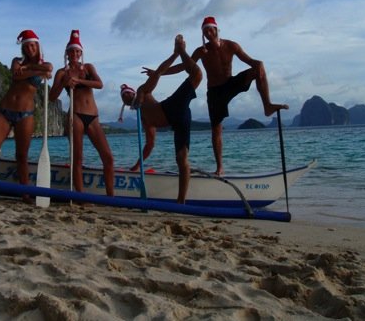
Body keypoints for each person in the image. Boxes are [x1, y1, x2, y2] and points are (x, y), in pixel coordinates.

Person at [168, 16, 288, 175]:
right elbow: (183, 66)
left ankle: (267, 105)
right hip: (215, 92)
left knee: (259, 65)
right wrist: (158, 73)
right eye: (205, 31)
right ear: (203, 34)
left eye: (211, 29)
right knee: (216, 130)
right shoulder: (201, 51)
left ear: (217, 29)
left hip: (230, 83)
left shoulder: (232, 46)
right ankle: (220, 168)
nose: (209, 33)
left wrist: (257, 68)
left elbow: (251, 61)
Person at [119, 35, 202, 204]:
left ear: (134, 92)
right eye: (123, 95)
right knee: (181, 158)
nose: (126, 95)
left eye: (128, 92)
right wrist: (136, 166)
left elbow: (158, 73)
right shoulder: (143, 119)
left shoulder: (143, 91)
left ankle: (182, 50)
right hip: (178, 122)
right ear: (124, 103)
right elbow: (150, 145)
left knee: (197, 74)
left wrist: (175, 54)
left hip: (172, 106)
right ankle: (181, 201)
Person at [0, 30, 53, 202]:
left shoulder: (41, 63)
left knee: (21, 156)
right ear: (23, 48)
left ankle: (25, 193)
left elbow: (49, 68)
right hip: (5, 111)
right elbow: (16, 73)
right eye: (27, 46)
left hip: (26, 114)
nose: (30, 48)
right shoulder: (16, 61)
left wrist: (28, 68)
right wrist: (36, 71)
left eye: (33, 45)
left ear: (38, 45)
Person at [49, 30, 114, 196]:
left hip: (93, 117)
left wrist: (78, 80)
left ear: (81, 53)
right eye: (71, 51)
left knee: (108, 157)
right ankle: (80, 196)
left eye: (77, 51)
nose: (74, 54)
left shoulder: (88, 68)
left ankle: (111, 196)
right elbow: (51, 97)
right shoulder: (62, 72)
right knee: (77, 159)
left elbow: (99, 84)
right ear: (67, 53)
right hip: (75, 116)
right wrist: (64, 81)